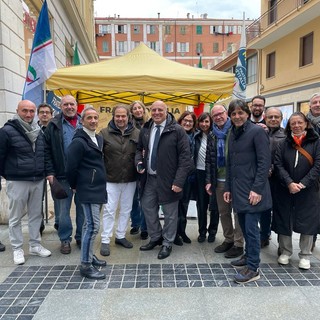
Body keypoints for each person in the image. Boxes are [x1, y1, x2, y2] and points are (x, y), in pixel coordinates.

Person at [136, 100, 192, 259]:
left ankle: (167, 242)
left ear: (166, 112)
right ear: (150, 111)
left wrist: (179, 181)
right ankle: (155, 237)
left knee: (170, 214)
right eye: (154, 110)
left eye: (160, 110)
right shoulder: (146, 129)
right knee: (147, 207)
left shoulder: (177, 130)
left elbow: (185, 158)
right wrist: (139, 162)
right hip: (150, 179)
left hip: (169, 180)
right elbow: (139, 150)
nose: (156, 113)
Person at [224, 99, 272, 284]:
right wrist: (228, 187)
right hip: (238, 190)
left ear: (247, 113)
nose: (237, 116)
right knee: (243, 227)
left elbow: (264, 163)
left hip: (253, 191)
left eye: (240, 113)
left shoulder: (257, 132)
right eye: (233, 113)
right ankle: (247, 256)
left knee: (251, 231)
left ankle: (253, 268)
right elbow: (230, 163)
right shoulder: (232, 133)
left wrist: (257, 189)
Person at [0, 100, 51, 264]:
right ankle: (17, 248)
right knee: (15, 218)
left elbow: (44, 155)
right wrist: (8, 175)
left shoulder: (38, 131)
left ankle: (35, 245)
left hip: (38, 179)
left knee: (36, 215)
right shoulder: (7, 131)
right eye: (25, 111)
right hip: (18, 180)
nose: (28, 114)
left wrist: (46, 173)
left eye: (31, 111)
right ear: (17, 111)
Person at [273, 112, 320, 270]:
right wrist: (289, 183)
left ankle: (305, 254)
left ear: (306, 124)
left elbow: (318, 166)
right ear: (289, 125)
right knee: (284, 219)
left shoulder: (316, 142)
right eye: (293, 123)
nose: (296, 126)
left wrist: (302, 184)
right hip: (286, 189)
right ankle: (285, 251)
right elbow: (278, 165)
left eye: (300, 122)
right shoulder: (283, 143)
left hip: (308, 189)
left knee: (307, 221)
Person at [66, 106, 107, 280]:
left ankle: (89, 255)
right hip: (87, 188)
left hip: (97, 187)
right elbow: (70, 168)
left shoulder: (97, 138)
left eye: (95, 118)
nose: (93, 121)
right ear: (82, 121)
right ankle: (85, 265)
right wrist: (75, 185)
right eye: (89, 118)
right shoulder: (79, 141)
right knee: (92, 226)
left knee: (87, 225)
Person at [44, 95, 84, 254]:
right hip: (62, 176)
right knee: (63, 211)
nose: (69, 107)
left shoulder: (85, 122)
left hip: (82, 176)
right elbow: (46, 152)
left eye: (72, 104)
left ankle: (81, 237)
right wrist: (50, 173)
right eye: (66, 104)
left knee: (83, 210)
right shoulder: (53, 126)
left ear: (76, 105)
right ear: (61, 106)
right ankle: (65, 240)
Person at [99, 104, 140, 256]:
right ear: (113, 116)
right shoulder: (104, 133)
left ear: (128, 117)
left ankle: (120, 236)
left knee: (126, 209)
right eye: (118, 116)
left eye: (123, 116)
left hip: (130, 178)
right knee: (109, 210)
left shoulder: (137, 133)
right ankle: (105, 239)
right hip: (110, 178)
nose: (121, 119)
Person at [206, 105, 244, 258]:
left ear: (226, 113)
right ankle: (228, 239)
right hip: (219, 180)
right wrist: (209, 180)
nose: (218, 117)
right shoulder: (212, 134)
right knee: (223, 212)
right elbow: (209, 160)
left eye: (220, 113)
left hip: (236, 180)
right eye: (214, 115)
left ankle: (239, 243)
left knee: (238, 212)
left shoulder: (237, 129)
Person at [262, 107, 286, 248]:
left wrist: (274, 168)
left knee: (280, 211)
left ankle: (282, 244)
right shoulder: (261, 133)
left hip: (280, 179)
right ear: (265, 118)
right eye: (270, 117)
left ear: (281, 119)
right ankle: (264, 235)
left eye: (276, 117)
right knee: (264, 210)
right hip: (264, 179)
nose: (273, 119)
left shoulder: (286, 136)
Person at [194, 112, 219, 244]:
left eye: (207, 122)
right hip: (199, 173)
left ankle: (213, 231)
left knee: (214, 205)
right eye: (202, 122)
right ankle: (202, 231)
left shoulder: (216, 136)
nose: (204, 124)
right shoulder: (196, 136)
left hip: (214, 174)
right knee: (201, 205)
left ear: (211, 123)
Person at [175, 111, 197, 245]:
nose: (188, 123)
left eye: (190, 121)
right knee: (175, 206)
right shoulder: (176, 135)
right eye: (185, 120)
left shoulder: (195, 136)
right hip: (177, 176)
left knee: (184, 205)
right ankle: (175, 233)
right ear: (180, 121)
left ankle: (182, 231)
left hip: (190, 176)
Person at [129, 101, 149, 240]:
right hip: (131, 165)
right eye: (134, 108)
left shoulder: (149, 124)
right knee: (133, 198)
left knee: (145, 198)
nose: (137, 110)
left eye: (139, 108)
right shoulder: (129, 126)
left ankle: (145, 227)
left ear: (143, 109)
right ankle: (135, 222)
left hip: (147, 166)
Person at [306, 93, 320, 250]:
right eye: (314, 102)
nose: (317, 104)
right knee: (310, 208)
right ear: (310, 105)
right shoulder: (304, 123)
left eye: (319, 102)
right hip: (308, 172)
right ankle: (311, 238)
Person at [37, 103, 54, 235]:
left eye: (47, 112)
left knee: (58, 196)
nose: (44, 114)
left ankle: (59, 221)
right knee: (38, 199)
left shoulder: (55, 128)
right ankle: (39, 224)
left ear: (51, 114)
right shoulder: (33, 128)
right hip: (37, 169)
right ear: (38, 114)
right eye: (42, 112)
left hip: (54, 168)